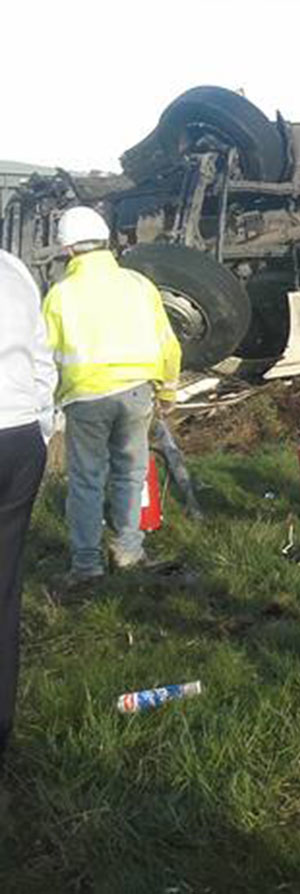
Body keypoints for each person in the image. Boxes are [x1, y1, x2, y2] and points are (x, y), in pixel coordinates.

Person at [40, 207, 180, 586]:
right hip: (137, 393)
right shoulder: (138, 284)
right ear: (106, 242)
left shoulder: (60, 295)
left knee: (86, 480)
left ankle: (87, 566)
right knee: (129, 474)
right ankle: (128, 552)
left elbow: (45, 356)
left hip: (86, 398)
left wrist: (48, 404)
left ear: (68, 249)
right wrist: (167, 389)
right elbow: (169, 344)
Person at [0, 247, 56, 762]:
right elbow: (42, 363)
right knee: (5, 591)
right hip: (18, 437)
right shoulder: (13, 269)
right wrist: (39, 432)